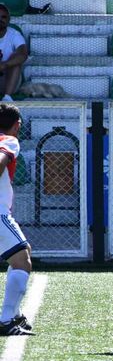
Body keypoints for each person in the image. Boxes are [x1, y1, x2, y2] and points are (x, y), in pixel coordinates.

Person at [0, 104, 34, 336]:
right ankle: (6, 320)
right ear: (17, 125)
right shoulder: (9, 140)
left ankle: (15, 314)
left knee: (22, 254)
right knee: (22, 261)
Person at [0, 4, 28, 102]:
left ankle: (7, 98)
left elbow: (23, 54)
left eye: (3, 17)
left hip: (8, 81)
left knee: (16, 58)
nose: (0, 19)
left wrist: (5, 64)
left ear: (9, 19)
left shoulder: (14, 34)